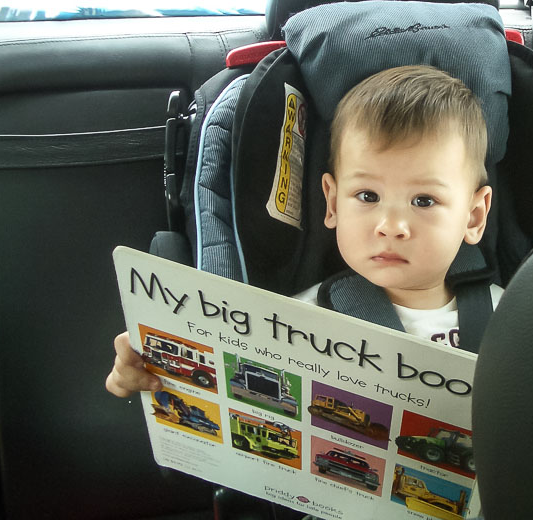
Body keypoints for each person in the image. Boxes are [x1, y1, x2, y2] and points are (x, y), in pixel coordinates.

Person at [106, 64, 501, 398]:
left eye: (424, 201)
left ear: (473, 217)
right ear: (333, 204)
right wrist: (146, 366)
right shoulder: (289, 326)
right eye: (367, 196)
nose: (391, 227)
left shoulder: (513, 319)